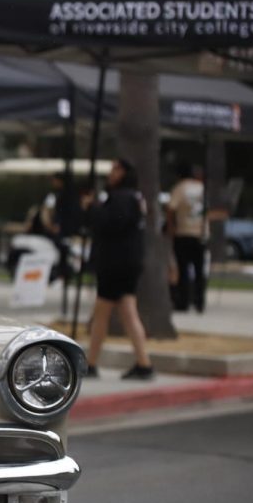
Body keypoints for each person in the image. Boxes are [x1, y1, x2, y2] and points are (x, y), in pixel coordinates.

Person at [85, 159, 154, 380]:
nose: (111, 173)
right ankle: (143, 363)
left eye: (115, 169)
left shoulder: (121, 198)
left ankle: (91, 363)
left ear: (124, 172)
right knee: (126, 311)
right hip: (127, 263)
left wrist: (92, 208)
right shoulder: (134, 197)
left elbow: (110, 223)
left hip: (115, 263)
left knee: (103, 312)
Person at [167, 162, 207, 312]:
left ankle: (183, 302)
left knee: (183, 270)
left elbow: (171, 208)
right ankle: (199, 302)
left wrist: (171, 227)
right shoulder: (202, 188)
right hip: (200, 234)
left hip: (183, 232)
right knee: (199, 270)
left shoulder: (180, 188)